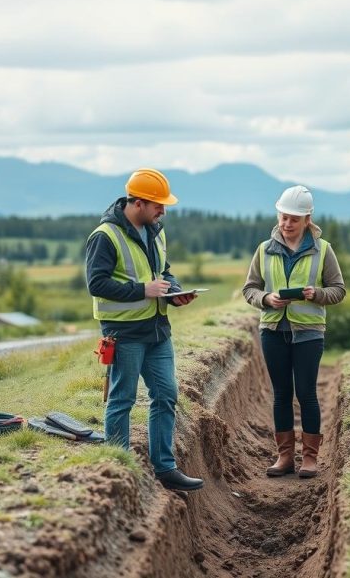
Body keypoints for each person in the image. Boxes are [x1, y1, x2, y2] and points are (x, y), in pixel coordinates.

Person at [85, 168, 204, 491]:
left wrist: (174, 291)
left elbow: (162, 271)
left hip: (157, 331)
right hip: (124, 333)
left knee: (166, 395)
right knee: (122, 399)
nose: (163, 211)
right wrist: (143, 290)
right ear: (137, 203)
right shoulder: (105, 236)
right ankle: (118, 467)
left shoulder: (156, 231)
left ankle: (165, 469)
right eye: (158, 205)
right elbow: (96, 284)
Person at [242, 185, 346, 479]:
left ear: (307, 219)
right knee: (281, 394)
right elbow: (249, 289)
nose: (286, 225)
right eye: (283, 218)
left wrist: (316, 295)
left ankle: (310, 458)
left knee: (306, 393)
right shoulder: (264, 249)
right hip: (272, 330)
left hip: (309, 332)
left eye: (293, 220)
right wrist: (266, 299)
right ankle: (285, 456)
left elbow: (339, 290)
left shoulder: (323, 250)